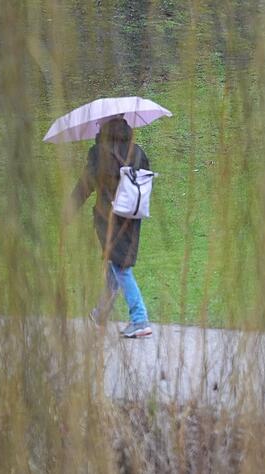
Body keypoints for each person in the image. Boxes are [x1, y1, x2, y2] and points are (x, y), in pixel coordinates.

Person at [70, 116, 153, 338]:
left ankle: (140, 317)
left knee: (121, 267)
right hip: (133, 217)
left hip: (109, 217)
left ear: (105, 126)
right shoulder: (138, 152)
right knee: (115, 262)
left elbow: (86, 183)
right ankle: (101, 313)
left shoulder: (99, 153)